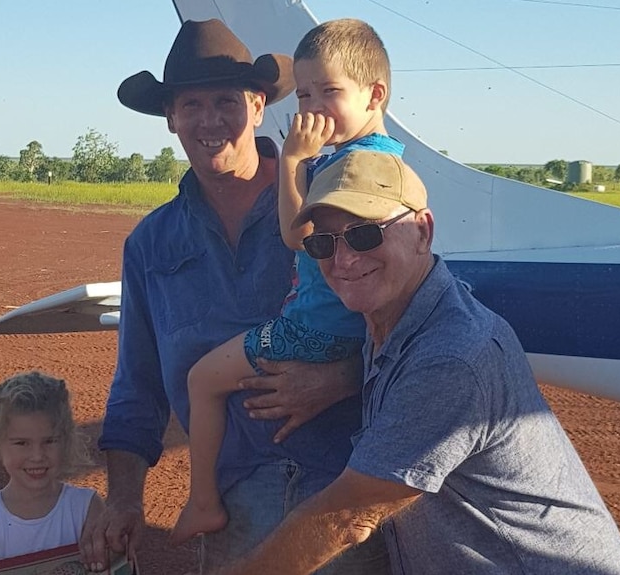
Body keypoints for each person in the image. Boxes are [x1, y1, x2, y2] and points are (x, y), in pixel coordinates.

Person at [210, 150, 620, 575]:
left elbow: (347, 518)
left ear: (422, 231)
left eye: (364, 234)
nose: (343, 260)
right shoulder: (396, 317)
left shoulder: (451, 357)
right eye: (322, 242)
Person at [79, 19, 389, 574]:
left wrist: (338, 379)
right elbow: (136, 384)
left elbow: (410, 328)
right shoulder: (150, 244)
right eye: (191, 104)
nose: (209, 119)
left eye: (226, 100)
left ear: (256, 107)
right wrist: (125, 497)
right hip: (233, 503)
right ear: (171, 118)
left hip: (341, 491)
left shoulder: (332, 204)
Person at [170, 18, 402, 547]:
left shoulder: (349, 169)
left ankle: (202, 499)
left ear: (376, 95)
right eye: (303, 94)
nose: (314, 107)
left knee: (203, 378)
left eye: (329, 92)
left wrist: (295, 159)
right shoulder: (379, 161)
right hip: (343, 335)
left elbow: (298, 237)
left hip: (309, 332)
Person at [0, 371, 105, 566]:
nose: (37, 456)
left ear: (66, 439)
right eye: (21, 443)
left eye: (49, 441)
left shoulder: (87, 507)